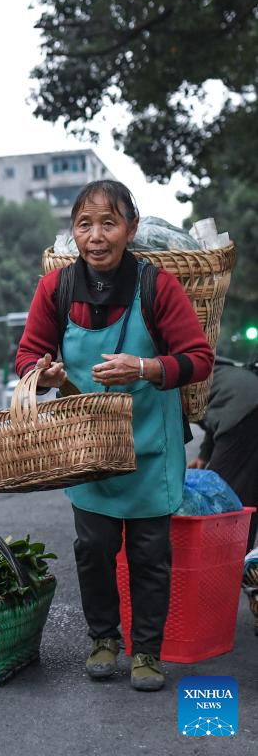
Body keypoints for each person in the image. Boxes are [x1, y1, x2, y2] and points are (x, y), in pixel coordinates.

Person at [16, 179, 213, 692]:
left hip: (151, 447)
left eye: (109, 223)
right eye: (85, 224)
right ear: (74, 233)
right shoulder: (55, 290)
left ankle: (147, 651)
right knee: (93, 547)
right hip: (89, 448)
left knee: (150, 553)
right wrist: (47, 375)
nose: (97, 236)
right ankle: (104, 639)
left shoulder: (159, 287)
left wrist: (146, 367)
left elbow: (198, 359)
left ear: (131, 227)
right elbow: (26, 356)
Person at [187, 358, 258, 549]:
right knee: (249, 489)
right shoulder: (212, 369)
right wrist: (203, 456)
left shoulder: (177, 376)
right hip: (246, 403)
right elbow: (215, 417)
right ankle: (243, 557)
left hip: (242, 410)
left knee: (220, 492)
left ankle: (221, 555)